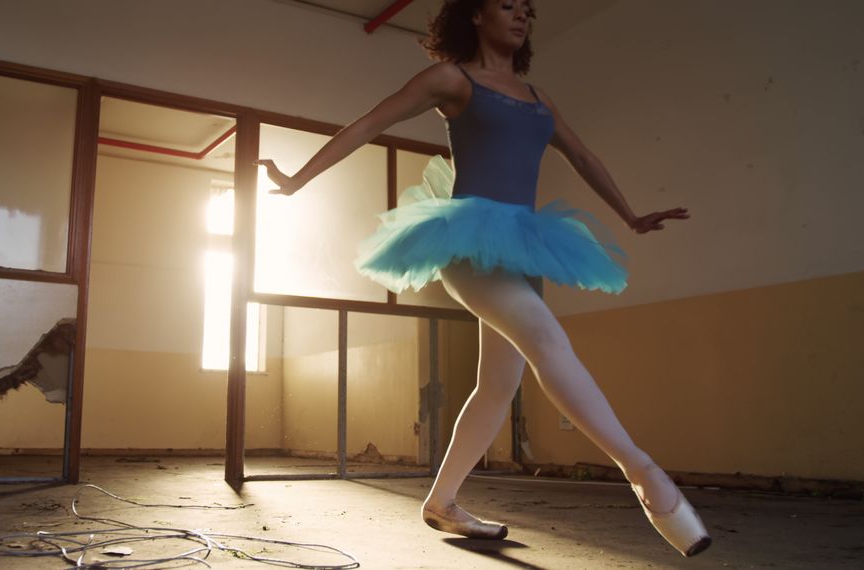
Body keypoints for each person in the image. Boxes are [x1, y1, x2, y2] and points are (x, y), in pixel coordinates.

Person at [256, 0, 710, 558]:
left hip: (525, 248)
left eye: (527, 10)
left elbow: (583, 156)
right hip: (468, 241)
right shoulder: (452, 79)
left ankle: (442, 502)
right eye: (507, 5)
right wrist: (298, 179)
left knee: (498, 384)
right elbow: (373, 121)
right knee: (548, 341)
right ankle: (644, 474)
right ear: (475, 15)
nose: (522, 17)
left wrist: (631, 216)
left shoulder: (538, 97)